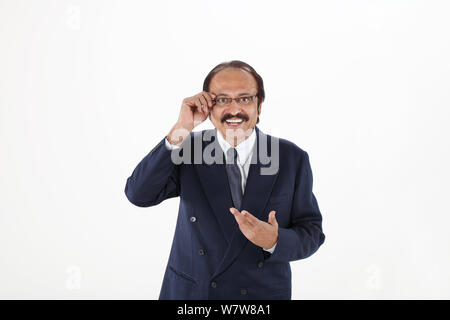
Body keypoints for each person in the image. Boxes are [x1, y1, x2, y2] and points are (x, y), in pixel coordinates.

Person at [125, 60, 325, 300]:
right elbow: (139, 194)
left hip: (260, 296)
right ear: (208, 106)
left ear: (259, 105)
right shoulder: (189, 148)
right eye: (222, 99)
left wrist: (275, 240)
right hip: (195, 294)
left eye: (244, 99)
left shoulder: (291, 158)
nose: (234, 109)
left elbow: (312, 233)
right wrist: (181, 128)